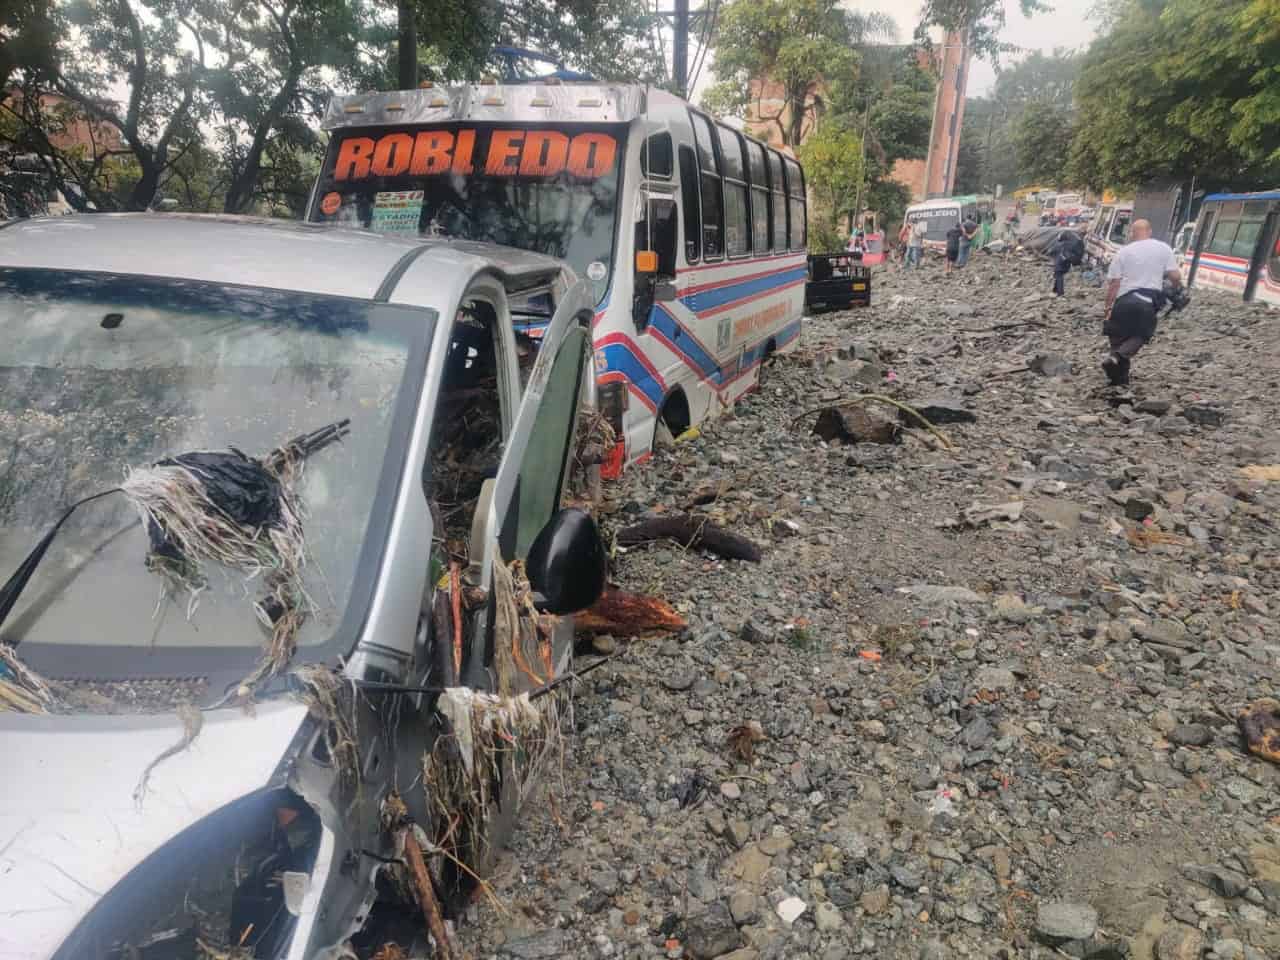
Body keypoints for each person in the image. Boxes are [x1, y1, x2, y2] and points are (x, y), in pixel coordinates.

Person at [1101, 219, 1182, 386]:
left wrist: (1108, 307)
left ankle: (1118, 379)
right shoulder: (1163, 248)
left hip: (1123, 301)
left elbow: (1114, 283)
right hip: (1146, 302)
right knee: (1141, 335)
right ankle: (1116, 358)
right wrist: (1175, 289)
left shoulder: (1123, 252)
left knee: (1117, 338)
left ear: (1132, 233)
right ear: (1149, 231)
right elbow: (1175, 276)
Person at [1051, 229, 1084, 295]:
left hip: (1062, 261)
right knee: (1058, 274)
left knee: (1058, 275)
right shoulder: (1074, 241)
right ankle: (1055, 289)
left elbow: (1053, 251)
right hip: (1067, 261)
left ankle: (1060, 293)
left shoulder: (1064, 245)